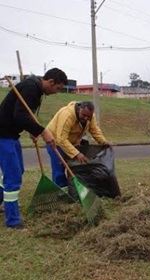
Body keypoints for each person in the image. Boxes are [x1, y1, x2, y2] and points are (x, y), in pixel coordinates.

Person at [0, 68, 68, 229]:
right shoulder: (31, 88)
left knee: (19, 170)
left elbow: (26, 114)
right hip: (3, 134)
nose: (56, 92)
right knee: (13, 176)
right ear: (50, 82)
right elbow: (20, 115)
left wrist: (33, 129)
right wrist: (43, 131)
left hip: (11, 135)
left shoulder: (35, 89)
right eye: (57, 88)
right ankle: (13, 220)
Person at [46, 101, 110, 190]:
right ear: (79, 109)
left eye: (88, 116)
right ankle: (61, 191)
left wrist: (104, 142)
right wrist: (76, 154)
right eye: (84, 115)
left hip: (72, 142)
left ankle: (72, 189)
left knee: (73, 168)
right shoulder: (67, 115)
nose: (86, 118)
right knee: (59, 168)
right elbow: (61, 139)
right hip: (55, 142)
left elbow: (95, 131)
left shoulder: (90, 117)